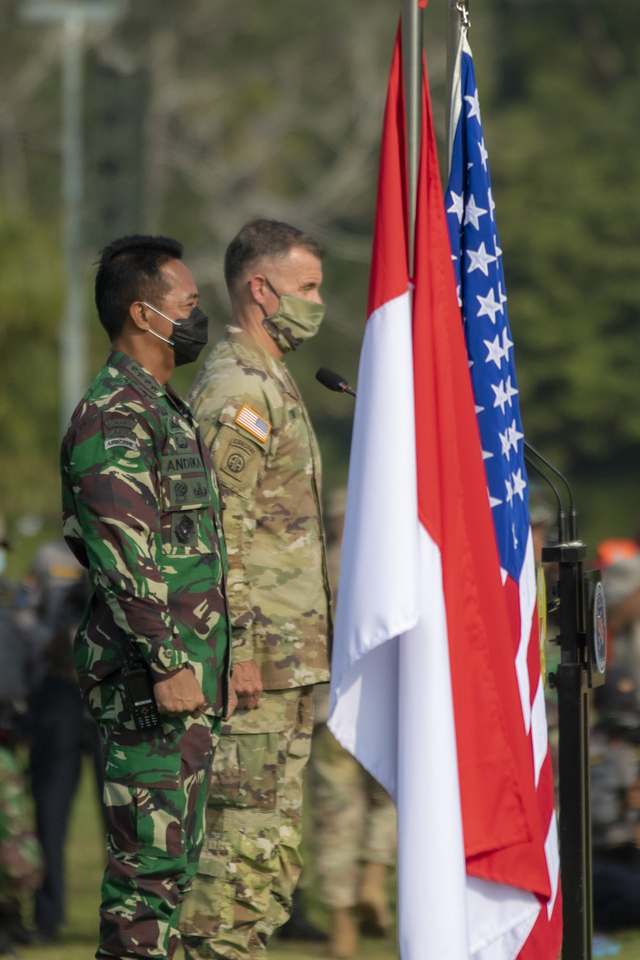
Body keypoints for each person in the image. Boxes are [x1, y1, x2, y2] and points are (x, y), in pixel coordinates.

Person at [60, 234, 232, 960]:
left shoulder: (162, 409)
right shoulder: (115, 418)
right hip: (149, 683)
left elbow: (193, 553)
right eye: (188, 305)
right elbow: (123, 559)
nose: (199, 319)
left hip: (188, 680)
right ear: (143, 313)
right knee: (146, 888)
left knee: (170, 878)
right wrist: (167, 663)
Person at [180, 219, 331, 960]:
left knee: (266, 859)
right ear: (259, 289)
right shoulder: (239, 387)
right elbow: (217, 532)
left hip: (285, 664)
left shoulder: (271, 378)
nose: (317, 302)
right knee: (237, 859)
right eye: (307, 288)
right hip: (254, 668)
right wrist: (236, 650)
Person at [308, 489, 397, 958]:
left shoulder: (316, 568)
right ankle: (374, 875)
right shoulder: (390, 566)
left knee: (335, 817)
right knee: (391, 800)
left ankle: (342, 928)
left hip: (329, 708)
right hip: (382, 705)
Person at [590, 666, 640, 931]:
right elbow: (585, 816)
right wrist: (623, 803)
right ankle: (588, 919)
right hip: (599, 855)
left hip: (631, 852)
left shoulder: (634, 746)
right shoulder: (587, 750)